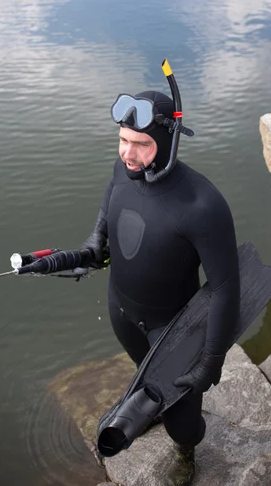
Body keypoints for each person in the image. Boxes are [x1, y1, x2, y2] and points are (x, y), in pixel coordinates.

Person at [82, 63, 240, 486]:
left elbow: (226, 288)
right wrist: (96, 239)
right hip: (124, 313)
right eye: (122, 140)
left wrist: (211, 359)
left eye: (140, 144)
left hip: (173, 329)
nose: (127, 154)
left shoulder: (202, 205)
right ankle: (152, 400)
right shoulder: (124, 169)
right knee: (142, 376)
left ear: (168, 143)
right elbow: (109, 203)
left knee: (184, 425)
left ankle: (187, 453)